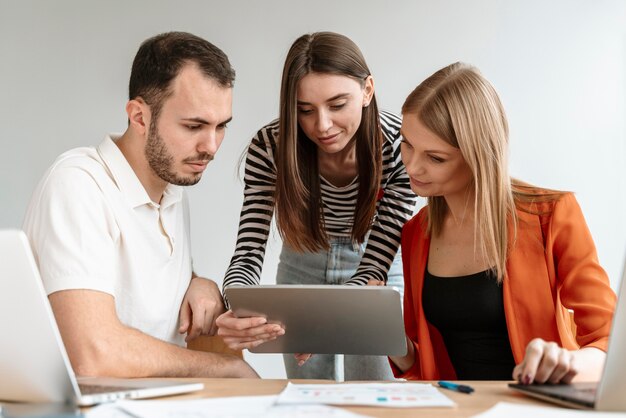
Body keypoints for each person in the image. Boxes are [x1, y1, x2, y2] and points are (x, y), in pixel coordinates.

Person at [22, 31, 258, 378]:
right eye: (194, 126)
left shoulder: (173, 191)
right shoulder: (78, 185)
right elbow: (93, 356)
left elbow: (143, 281)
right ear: (139, 116)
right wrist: (224, 368)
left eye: (220, 126)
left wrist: (198, 282)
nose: (211, 146)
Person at [389, 62, 617, 383]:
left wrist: (566, 363)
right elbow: (421, 367)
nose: (412, 166)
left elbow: (611, 344)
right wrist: (382, 334)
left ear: (478, 156)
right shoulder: (416, 232)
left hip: (534, 407)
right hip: (454, 408)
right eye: (407, 144)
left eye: (435, 158)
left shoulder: (552, 215)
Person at [216, 32, 417, 380]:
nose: (321, 126)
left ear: (367, 90)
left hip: (377, 266)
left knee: (376, 392)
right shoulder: (271, 146)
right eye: (304, 111)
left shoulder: (400, 144)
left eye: (337, 105)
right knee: (308, 396)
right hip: (302, 263)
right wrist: (236, 305)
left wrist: (328, 318)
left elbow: (372, 269)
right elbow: (248, 251)